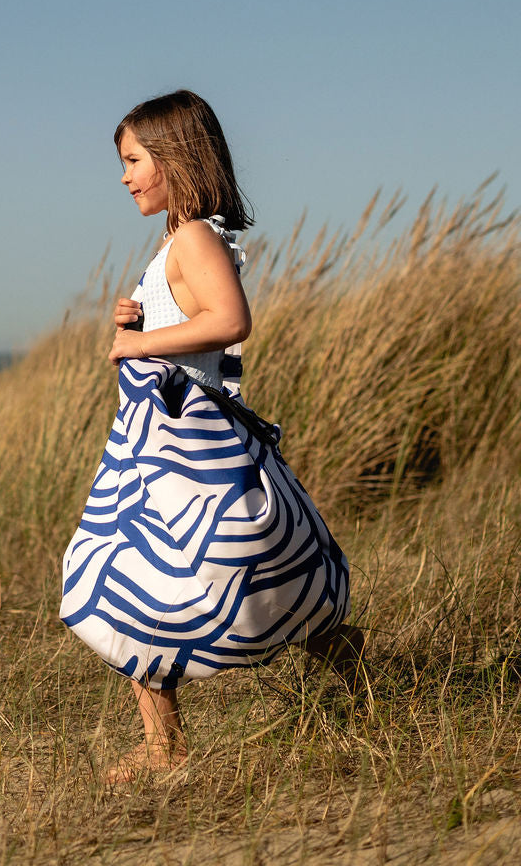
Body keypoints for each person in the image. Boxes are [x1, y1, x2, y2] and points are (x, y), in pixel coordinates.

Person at [60, 89, 360, 784]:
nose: (126, 176)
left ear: (175, 157)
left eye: (134, 160)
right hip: (178, 449)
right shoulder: (180, 240)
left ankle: (168, 747)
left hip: (192, 455)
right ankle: (344, 668)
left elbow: (230, 321)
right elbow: (191, 331)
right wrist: (135, 326)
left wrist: (138, 348)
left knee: (131, 579)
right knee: (191, 577)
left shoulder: (192, 237)